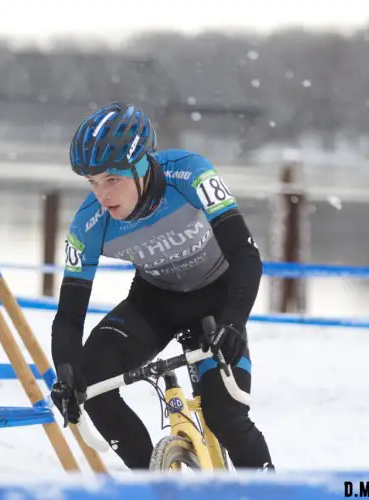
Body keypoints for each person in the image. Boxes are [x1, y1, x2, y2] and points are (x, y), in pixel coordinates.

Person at [50, 101, 275, 471]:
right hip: (154, 303)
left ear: (141, 166)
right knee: (92, 384)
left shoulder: (189, 174)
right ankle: (157, 485)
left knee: (225, 416)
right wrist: (67, 373)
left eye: (112, 180)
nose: (103, 196)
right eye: (93, 183)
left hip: (218, 299)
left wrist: (234, 321)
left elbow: (245, 256)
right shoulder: (89, 224)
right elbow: (69, 315)